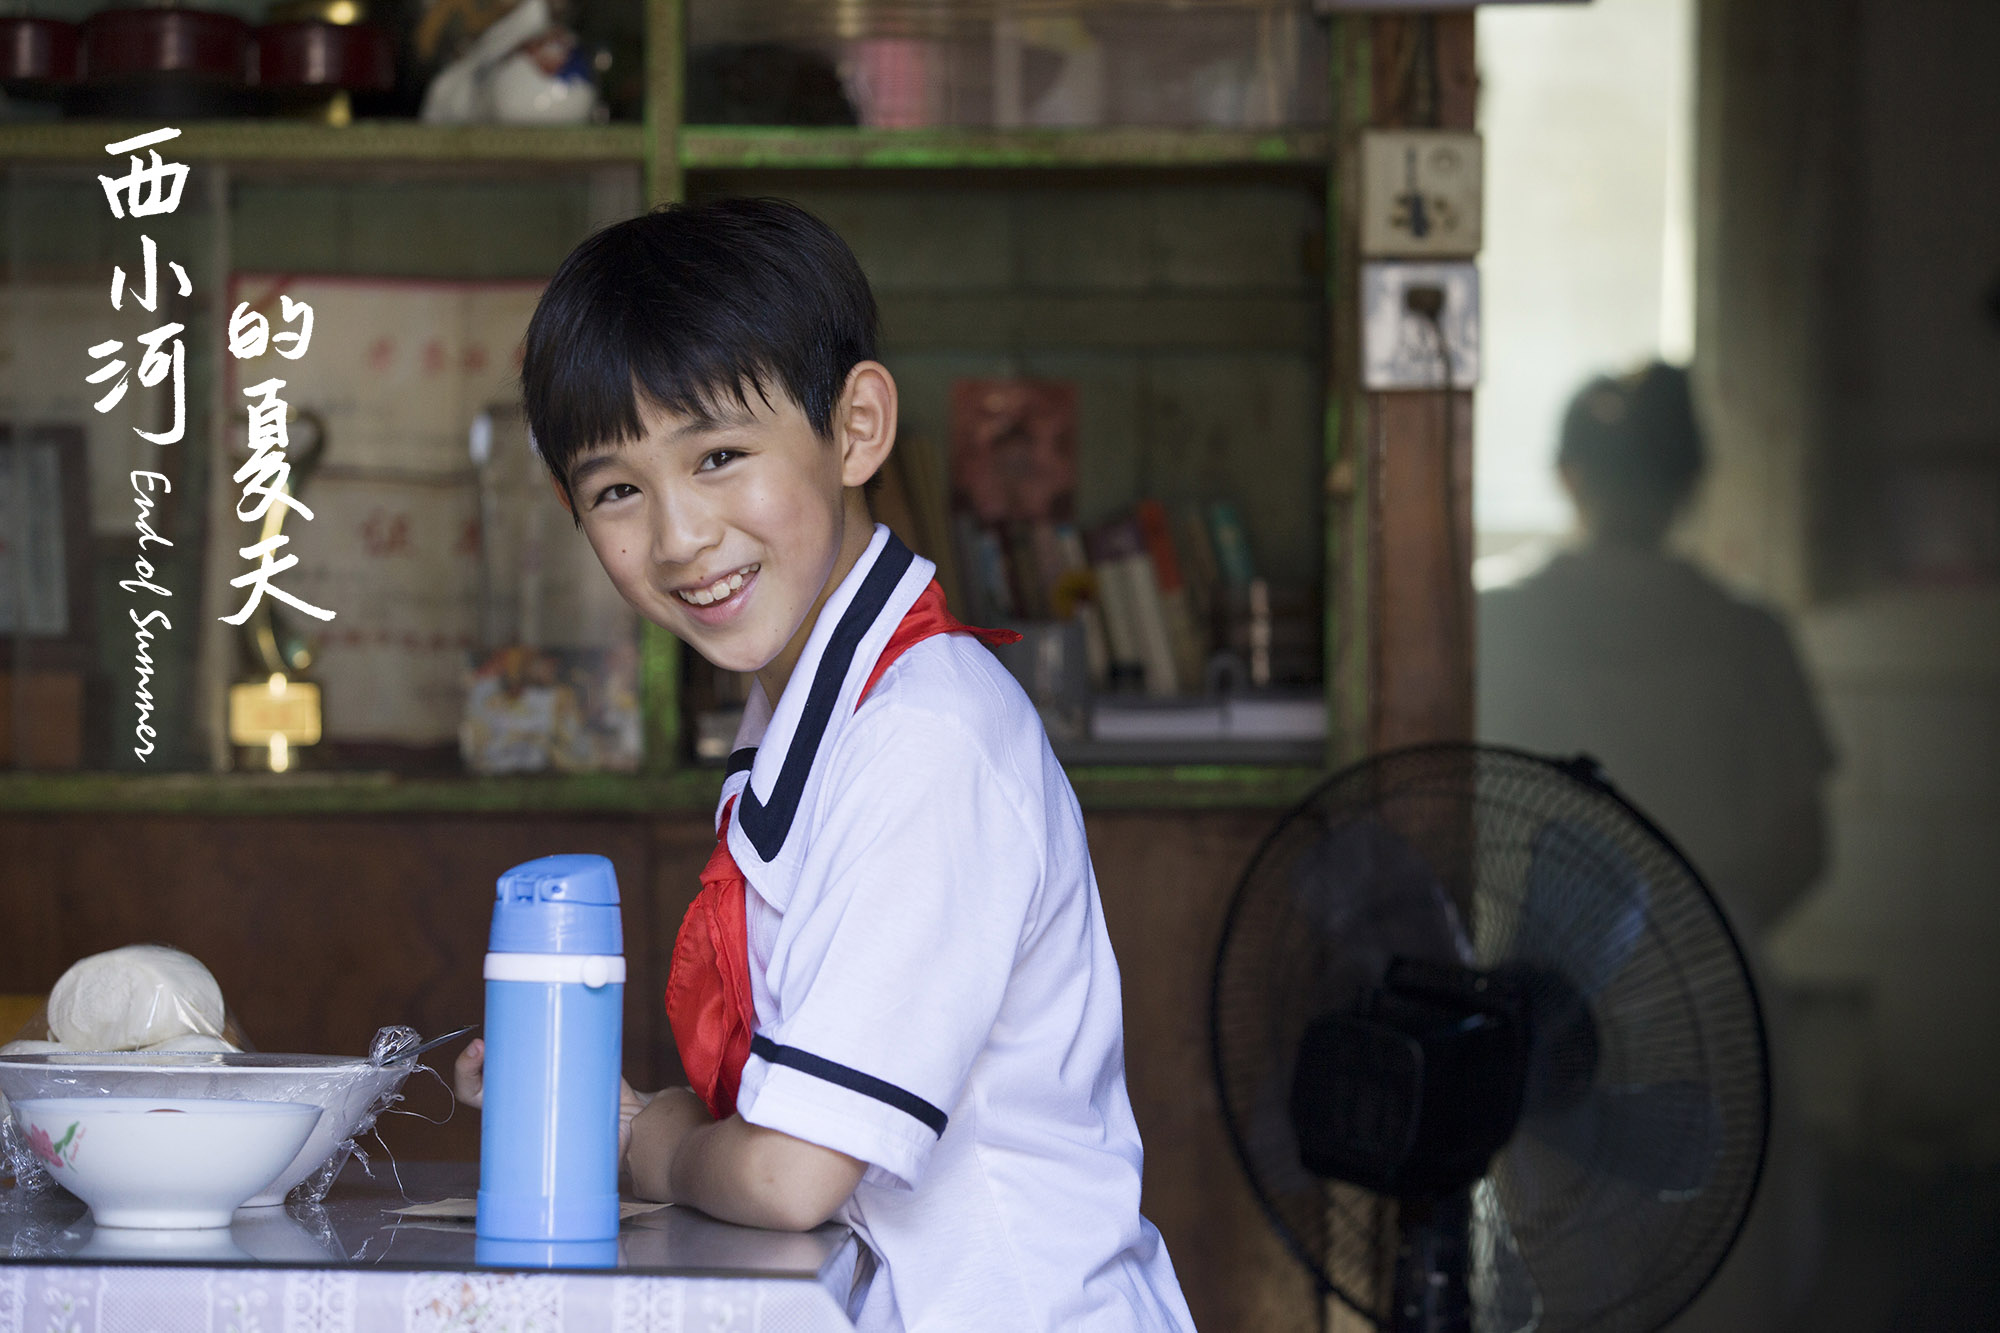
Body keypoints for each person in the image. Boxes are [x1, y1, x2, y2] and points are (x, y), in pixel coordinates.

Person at [454, 197, 1197, 1333]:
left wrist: (636, 1135)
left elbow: (791, 1174)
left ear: (855, 427)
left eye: (718, 456)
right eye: (617, 489)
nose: (678, 535)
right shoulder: (821, 713)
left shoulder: (923, 739)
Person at [1477, 362, 1836, 1330]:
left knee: (1565, 1277)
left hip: (1546, 1004)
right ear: (1692, 480)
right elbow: (1802, 850)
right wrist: (1699, 928)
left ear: (1565, 475)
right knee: (1724, 1279)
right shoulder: (1746, 633)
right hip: (1718, 995)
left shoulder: (1494, 624)